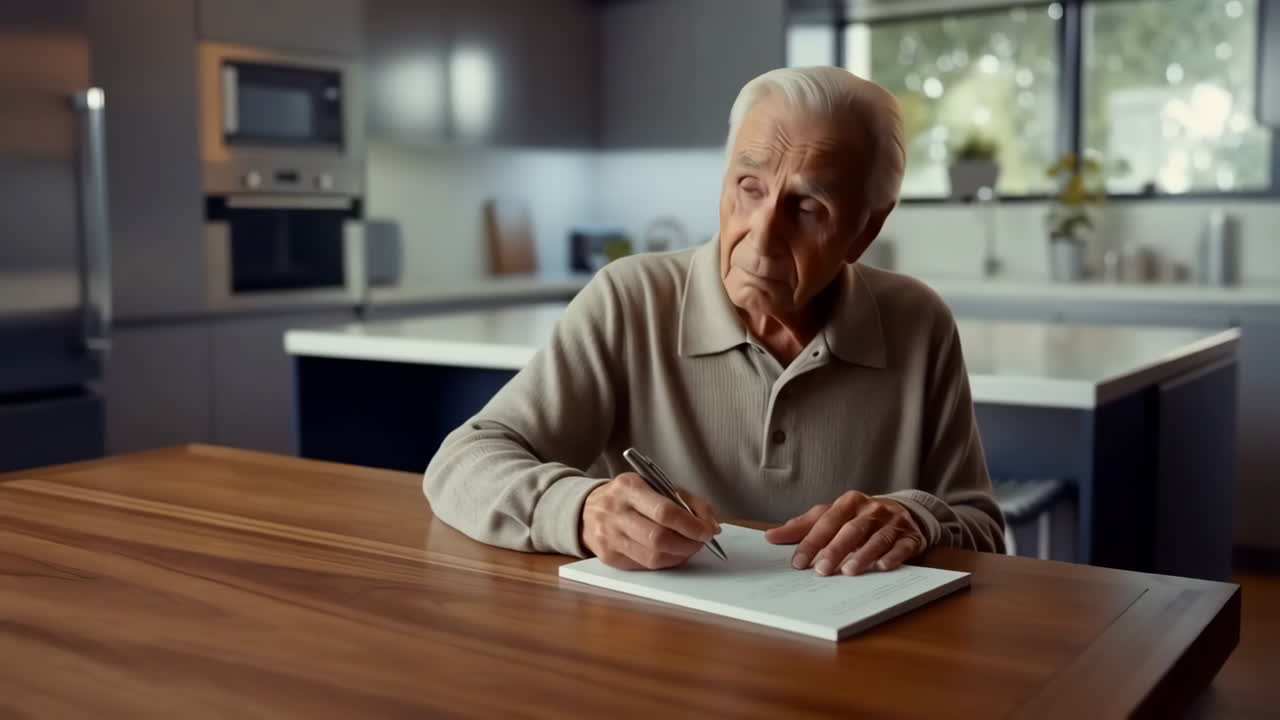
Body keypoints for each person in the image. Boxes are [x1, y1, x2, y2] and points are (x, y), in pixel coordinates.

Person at [424, 66, 1004, 577]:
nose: (762, 235)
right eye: (748, 188)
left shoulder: (918, 322)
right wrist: (580, 509)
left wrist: (916, 517)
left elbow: (983, 530)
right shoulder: (630, 299)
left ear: (866, 230)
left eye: (808, 209)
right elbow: (461, 464)